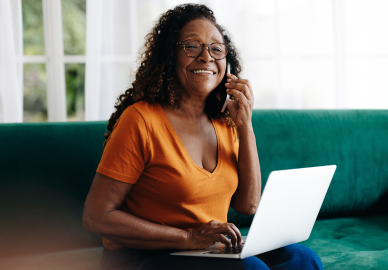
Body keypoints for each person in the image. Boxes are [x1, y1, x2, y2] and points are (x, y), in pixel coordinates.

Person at [82, 4, 323, 270]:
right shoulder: (140, 119)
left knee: (303, 259)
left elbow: (248, 204)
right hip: (143, 257)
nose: (206, 57)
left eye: (216, 48)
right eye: (192, 46)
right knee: (250, 269)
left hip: (207, 252)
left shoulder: (224, 121)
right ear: (170, 56)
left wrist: (245, 125)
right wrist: (189, 238)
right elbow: (96, 217)